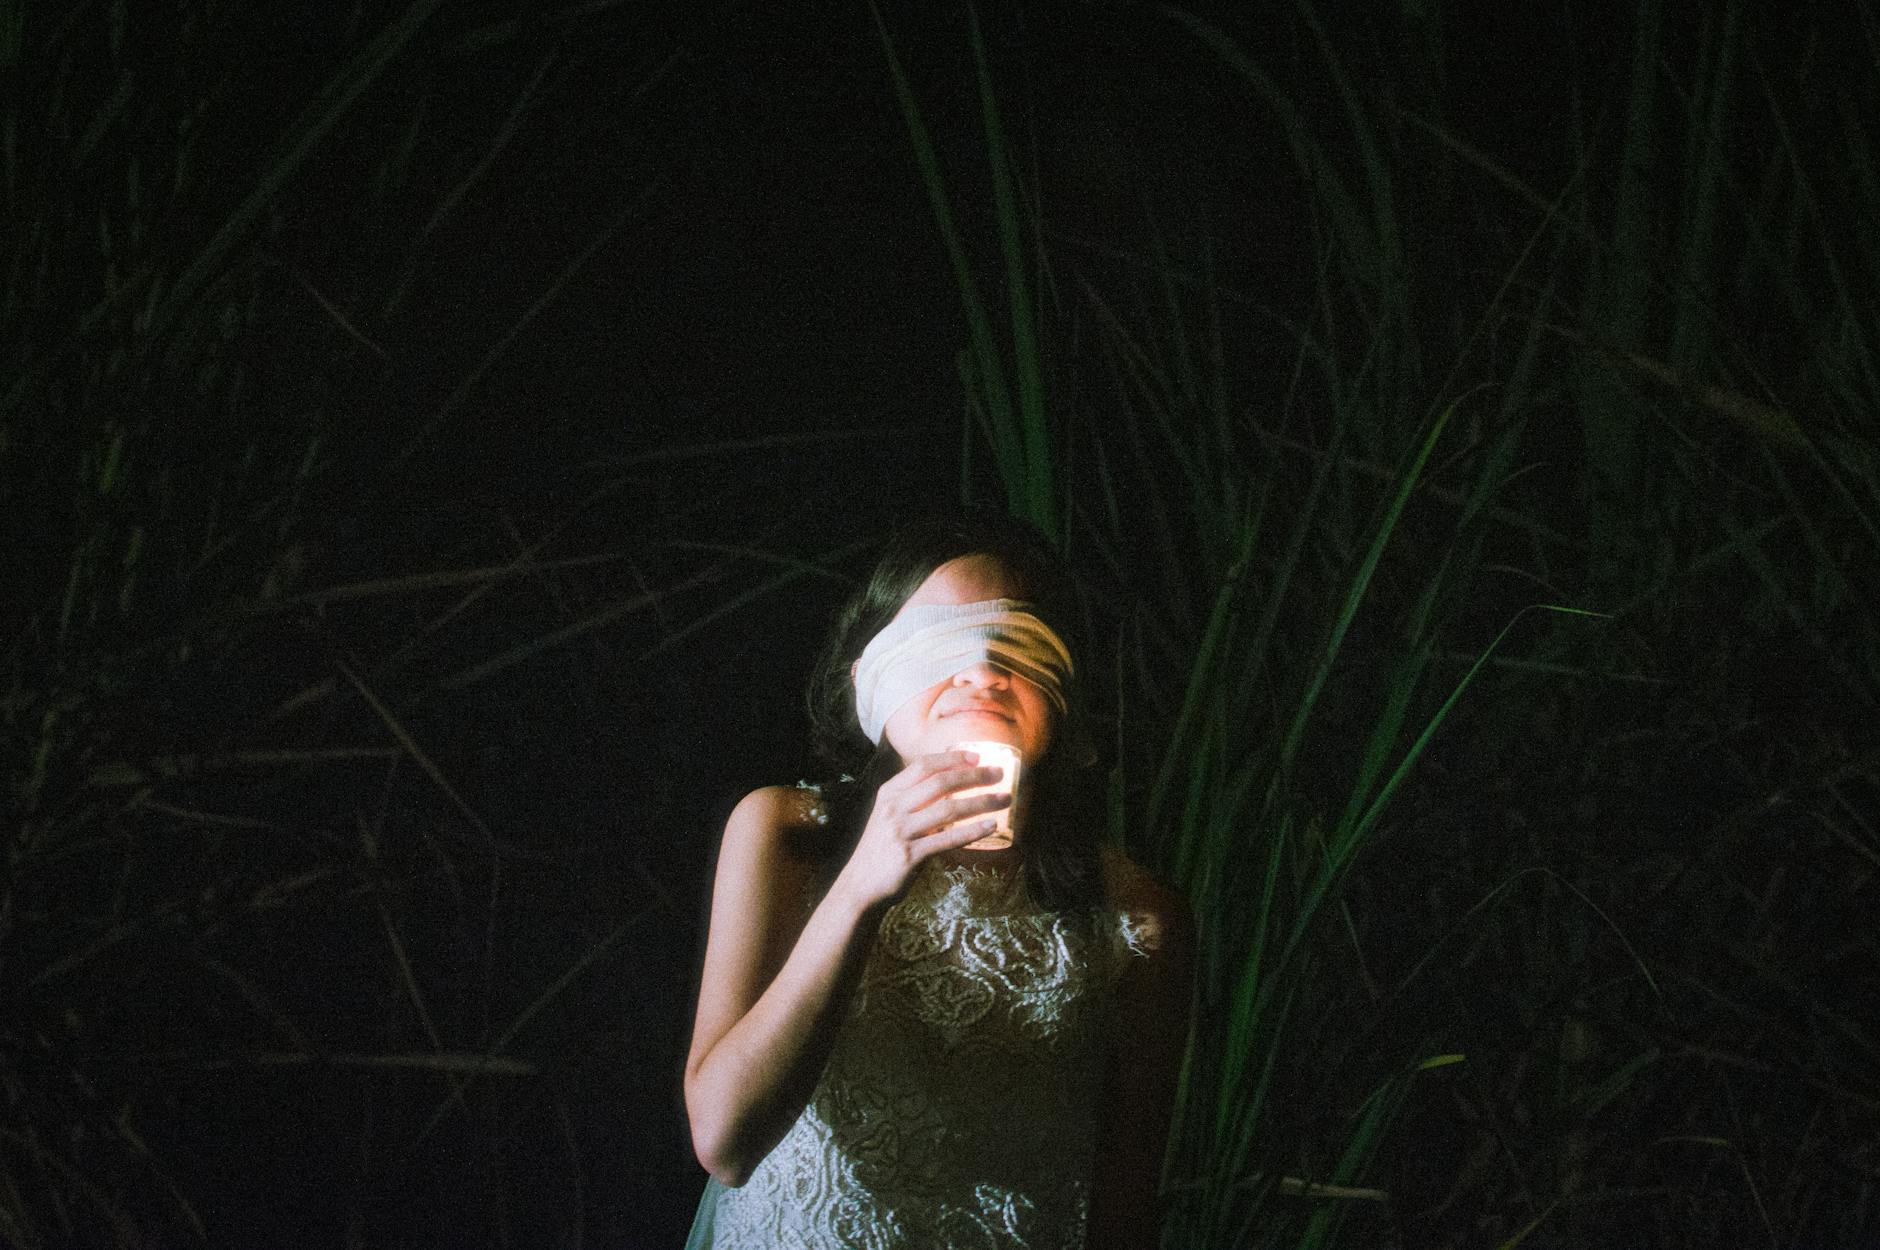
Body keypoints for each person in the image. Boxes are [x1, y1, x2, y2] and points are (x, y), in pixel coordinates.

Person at [682, 509, 1194, 1249]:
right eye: (940, 641)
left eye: (1018, 644)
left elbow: (1124, 1211)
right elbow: (725, 1141)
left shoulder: (1141, 917)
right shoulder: (785, 833)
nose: (983, 671)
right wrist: (862, 885)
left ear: (1064, 694)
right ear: (870, 681)